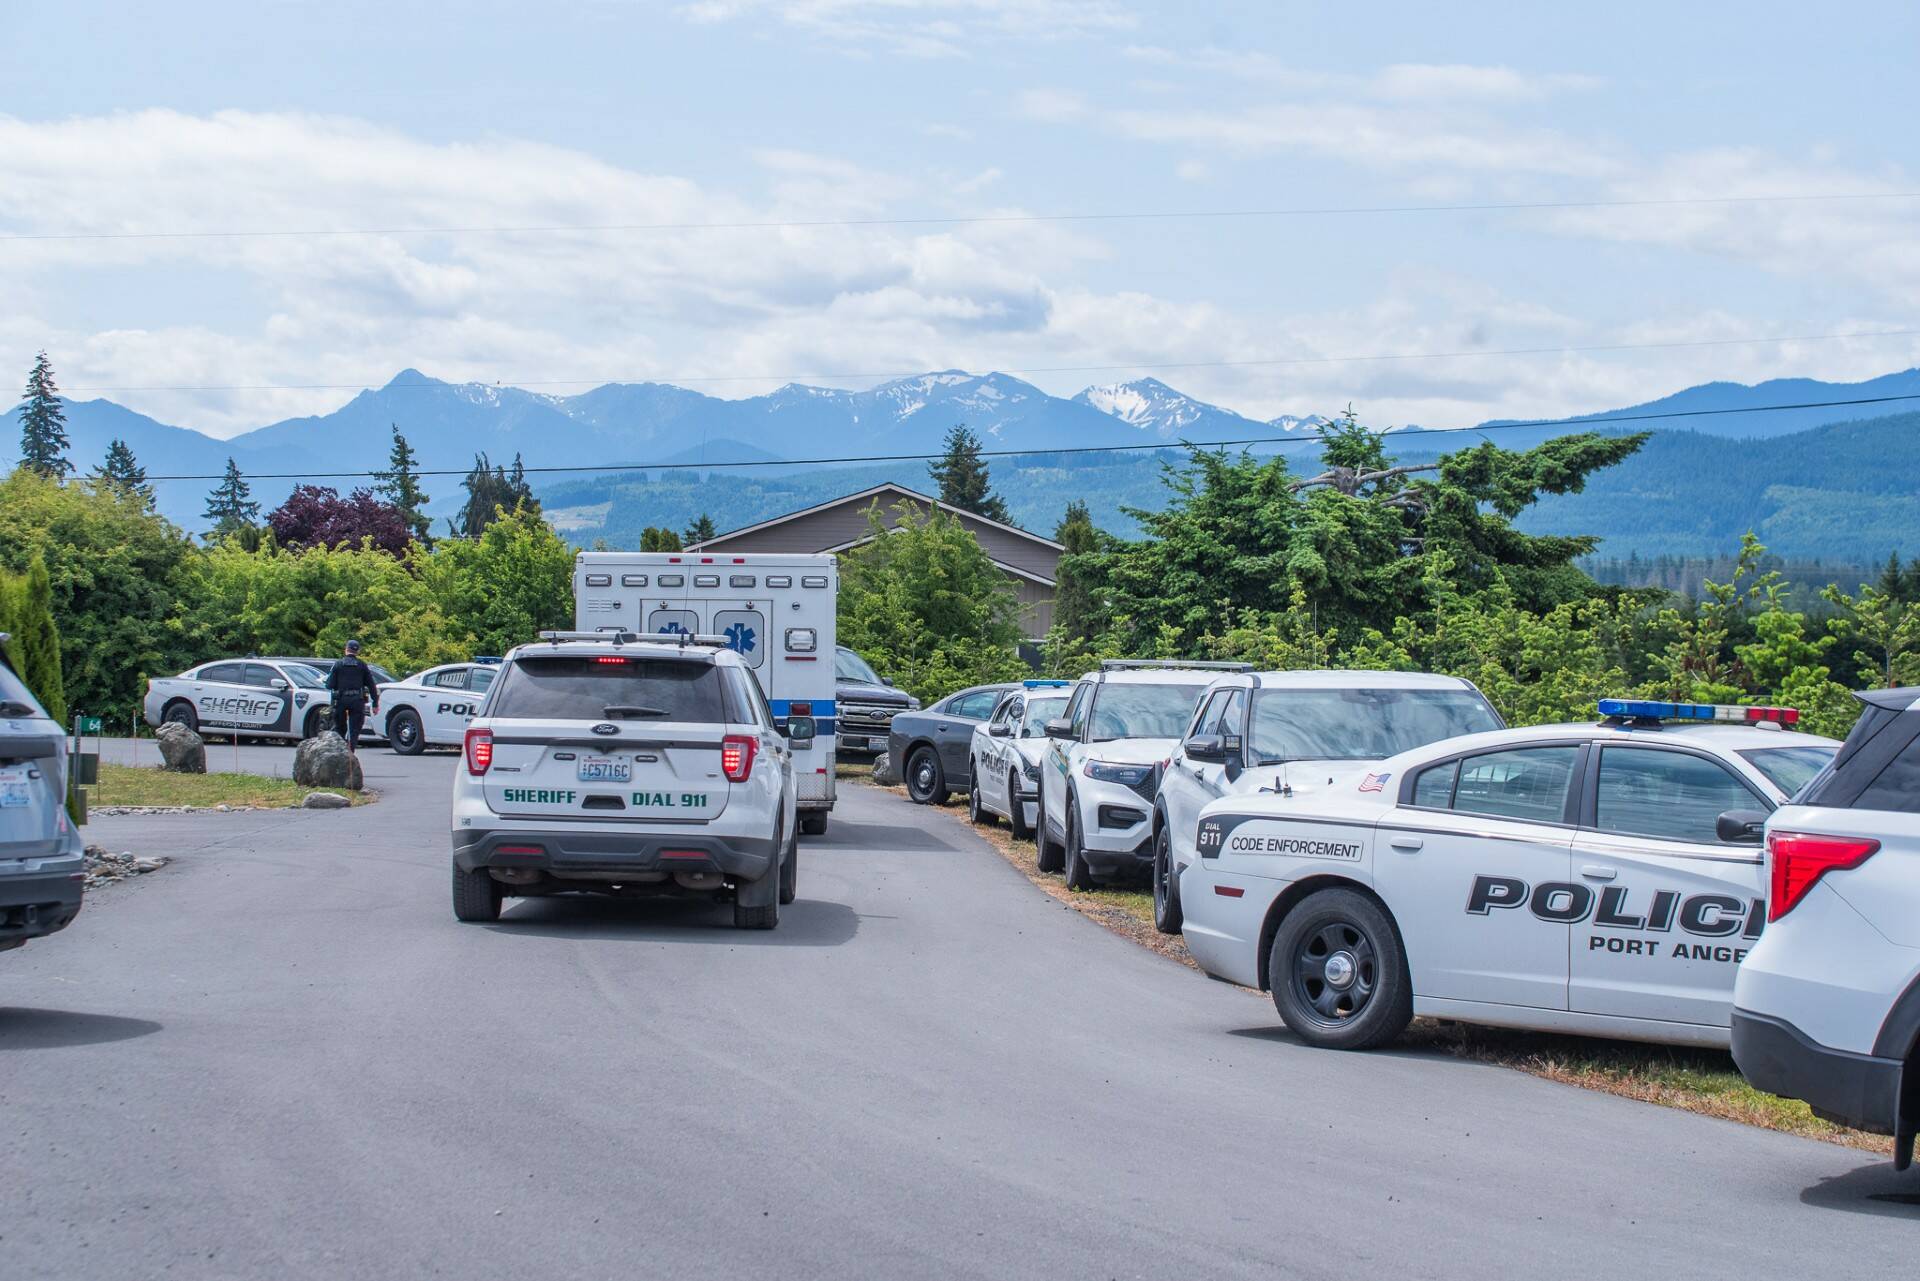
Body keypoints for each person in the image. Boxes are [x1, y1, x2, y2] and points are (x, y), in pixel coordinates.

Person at [325, 639, 381, 752]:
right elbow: (371, 685)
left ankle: (339, 754)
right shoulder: (362, 665)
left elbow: (329, 684)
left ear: (346, 649)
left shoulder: (338, 664)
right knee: (354, 730)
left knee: (340, 728)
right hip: (357, 700)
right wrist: (375, 703)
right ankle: (351, 752)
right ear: (357, 651)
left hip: (341, 700)